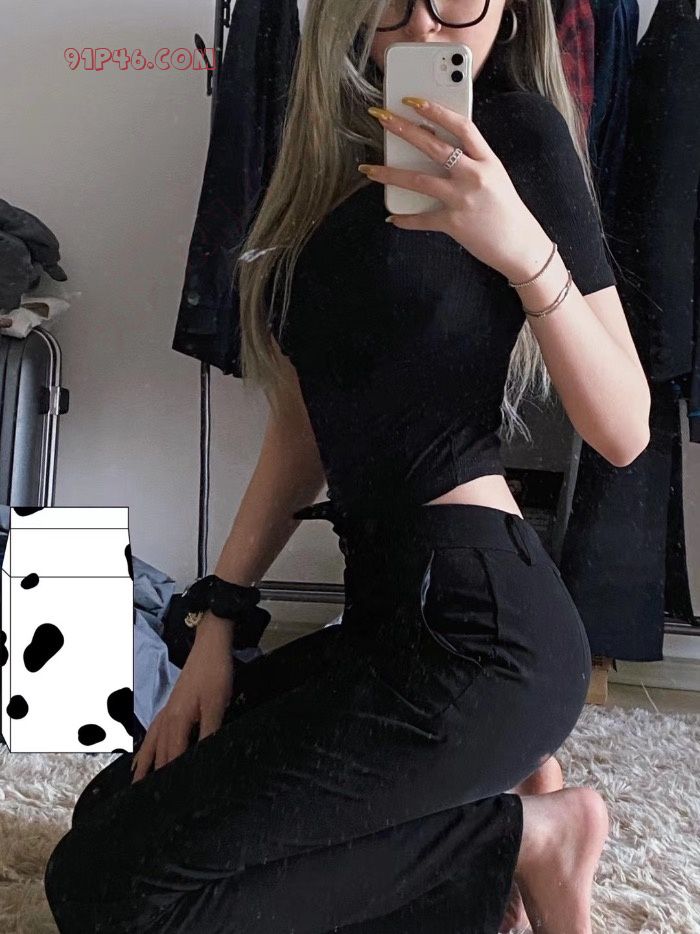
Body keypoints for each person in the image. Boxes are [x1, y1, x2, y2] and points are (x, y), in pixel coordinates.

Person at [44, 1, 651, 931]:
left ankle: (530, 839)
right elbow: (301, 436)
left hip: (481, 630)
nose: (425, 27)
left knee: (111, 895)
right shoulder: (331, 170)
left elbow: (625, 429)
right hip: (382, 621)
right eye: (390, 3)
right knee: (110, 810)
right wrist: (218, 623)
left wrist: (522, 249)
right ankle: (480, 814)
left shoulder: (517, 135)